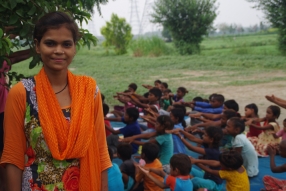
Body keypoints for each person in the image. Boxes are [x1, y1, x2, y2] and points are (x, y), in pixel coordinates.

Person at [0, 11, 111, 191]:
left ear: (74, 47)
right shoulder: (22, 93)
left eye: (66, 44)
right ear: (37, 46)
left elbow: (101, 153)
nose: (58, 50)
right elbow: (13, 158)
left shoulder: (89, 92)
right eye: (50, 43)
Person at [171, 126, 224, 190]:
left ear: (211, 139)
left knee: (195, 181)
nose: (203, 136)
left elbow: (191, 148)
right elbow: (193, 138)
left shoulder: (213, 151)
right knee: (187, 169)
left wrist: (180, 136)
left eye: (205, 135)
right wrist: (181, 131)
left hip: (214, 183)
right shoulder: (209, 144)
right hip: (206, 175)